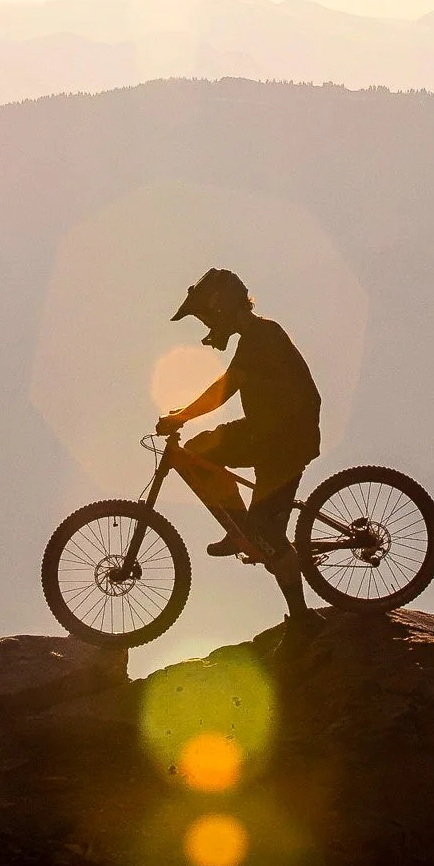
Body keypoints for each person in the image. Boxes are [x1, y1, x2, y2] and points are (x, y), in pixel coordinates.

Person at [156, 268, 325, 630]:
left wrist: (181, 416)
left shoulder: (263, 335)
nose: (205, 324)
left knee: (264, 528)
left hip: (285, 438)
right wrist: (183, 415)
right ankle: (244, 532)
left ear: (222, 306)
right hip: (270, 436)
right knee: (264, 535)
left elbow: (227, 386)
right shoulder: (254, 337)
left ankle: (298, 612)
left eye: (206, 315)